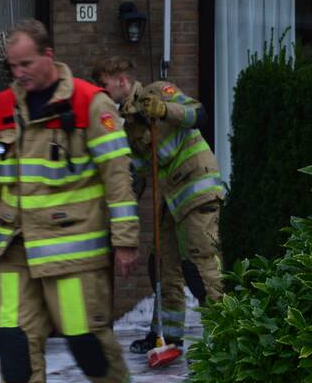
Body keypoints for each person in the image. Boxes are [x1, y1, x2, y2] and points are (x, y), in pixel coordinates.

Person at [0, 19, 142, 383]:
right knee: (15, 345)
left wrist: (125, 242)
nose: (18, 73)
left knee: (88, 345)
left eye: (25, 63)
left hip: (73, 252)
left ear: (48, 56)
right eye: (12, 65)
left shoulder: (89, 102)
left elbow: (117, 177)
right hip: (15, 249)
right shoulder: (5, 105)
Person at [92, 57, 225, 355]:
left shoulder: (157, 92)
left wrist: (166, 110)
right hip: (170, 199)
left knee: (202, 261)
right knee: (162, 264)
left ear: (122, 81)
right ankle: (167, 337)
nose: (100, 92)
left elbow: (198, 114)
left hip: (196, 189)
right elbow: (136, 178)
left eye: (104, 85)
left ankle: (224, 339)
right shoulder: (129, 129)